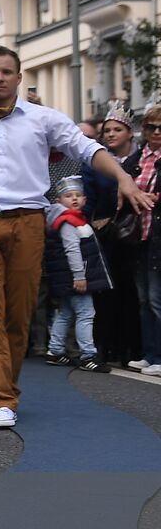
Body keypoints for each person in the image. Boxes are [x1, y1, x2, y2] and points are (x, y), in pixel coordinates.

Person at [0, 46, 150, 428]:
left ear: (18, 78)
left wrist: (122, 176)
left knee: (18, 314)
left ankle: (8, 390)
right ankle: (2, 398)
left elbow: (86, 148)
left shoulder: (43, 119)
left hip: (28, 222)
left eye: (6, 72)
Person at [86, 101, 139, 368]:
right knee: (105, 293)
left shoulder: (142, 161)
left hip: (134, 235)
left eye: (117, 129)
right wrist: (92, 221)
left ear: (129, 132)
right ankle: (104, 347)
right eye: (106, 130)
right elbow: (87, 197)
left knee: (131, 293)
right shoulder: (97, 162)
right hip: (103, 235)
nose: (110, 134)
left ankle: (131, 348)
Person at [42, 176, 111, 372]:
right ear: (59, 201)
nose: (74, 199)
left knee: (65, 313)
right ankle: (88, 354)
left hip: (65, 278)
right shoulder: (69, 222)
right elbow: (72, 250)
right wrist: (79, 276)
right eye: (68, 196)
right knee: (86, 313)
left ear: (85, 199)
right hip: (74, 278)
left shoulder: (67, 219)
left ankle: (55, 351)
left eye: (78, 195)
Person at [122, 105, 161, 375]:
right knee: (144, 299)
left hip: (158, 236)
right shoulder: (135, 159)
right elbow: (122, 191)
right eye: (151, 127)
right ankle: (149, 354)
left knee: (157, 299)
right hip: (139, 235)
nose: (156, 132)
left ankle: (159, 356)